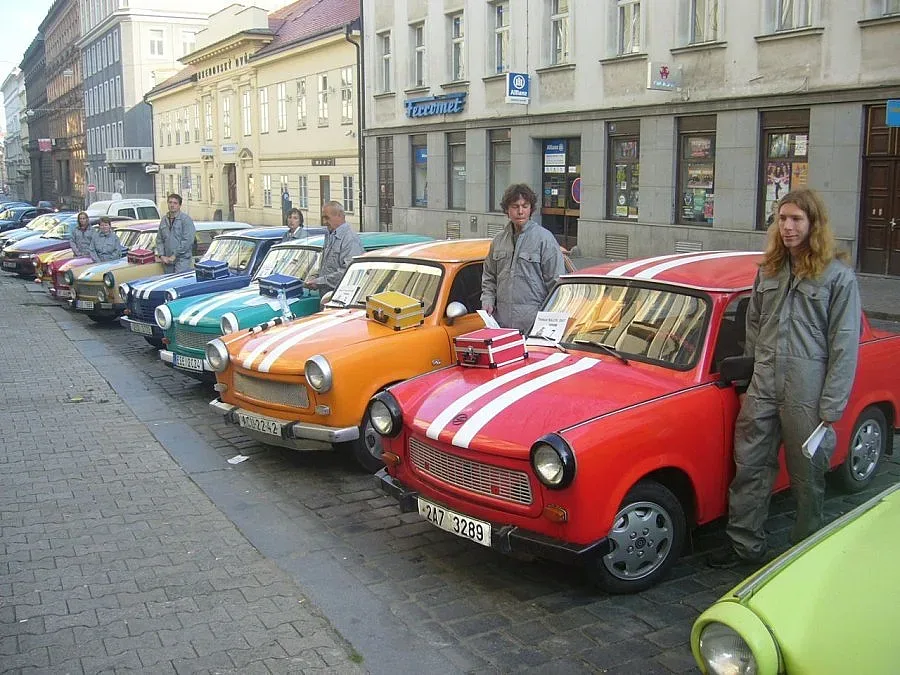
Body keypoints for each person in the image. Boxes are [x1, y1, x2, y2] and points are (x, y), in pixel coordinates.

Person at [709, 188, 861, 569]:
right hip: (764, 384)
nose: (788, 227)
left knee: (807, 474)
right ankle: (744, 544)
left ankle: (805, 549)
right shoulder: (770, 268)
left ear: (813, 224)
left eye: (796, 219)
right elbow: (754, 324)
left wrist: (831, 405)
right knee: (751, 465)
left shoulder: (837, 277)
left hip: (807, 392)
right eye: (782, 219)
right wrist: (751, 379)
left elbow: (844, 344)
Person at [481, 183, 566, 335]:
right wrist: (487, 300)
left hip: (534, 327)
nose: (520, 211)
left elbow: (557, 285)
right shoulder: (499, 241)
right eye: (515, 206)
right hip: (502, 325)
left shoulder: (544, 239)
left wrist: (549, 322)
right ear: (507, 210)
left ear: (531, 209)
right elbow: (489, 277)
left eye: (525, 206)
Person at [304, 201, 363, 296]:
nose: (324, 222)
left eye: (327, 218)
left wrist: (319, 282)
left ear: (339, 215)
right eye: (323, 218)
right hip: (327, 296)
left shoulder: (350, 239)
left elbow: (348, 272)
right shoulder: (330, 234)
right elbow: (326, 265)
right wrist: (315, 276)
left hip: (341, 297)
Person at [155, 193, 196, 274]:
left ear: (179, 205)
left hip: (182, 260)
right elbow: (159, 239)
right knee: (169, 284)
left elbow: (187, 241)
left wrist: (175, 255)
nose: (172, 205)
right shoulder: (164, 220)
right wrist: (161, 255)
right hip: (167, 261)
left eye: (175, 203)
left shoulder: (185, 220)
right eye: (170, 202)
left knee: (179, 283)